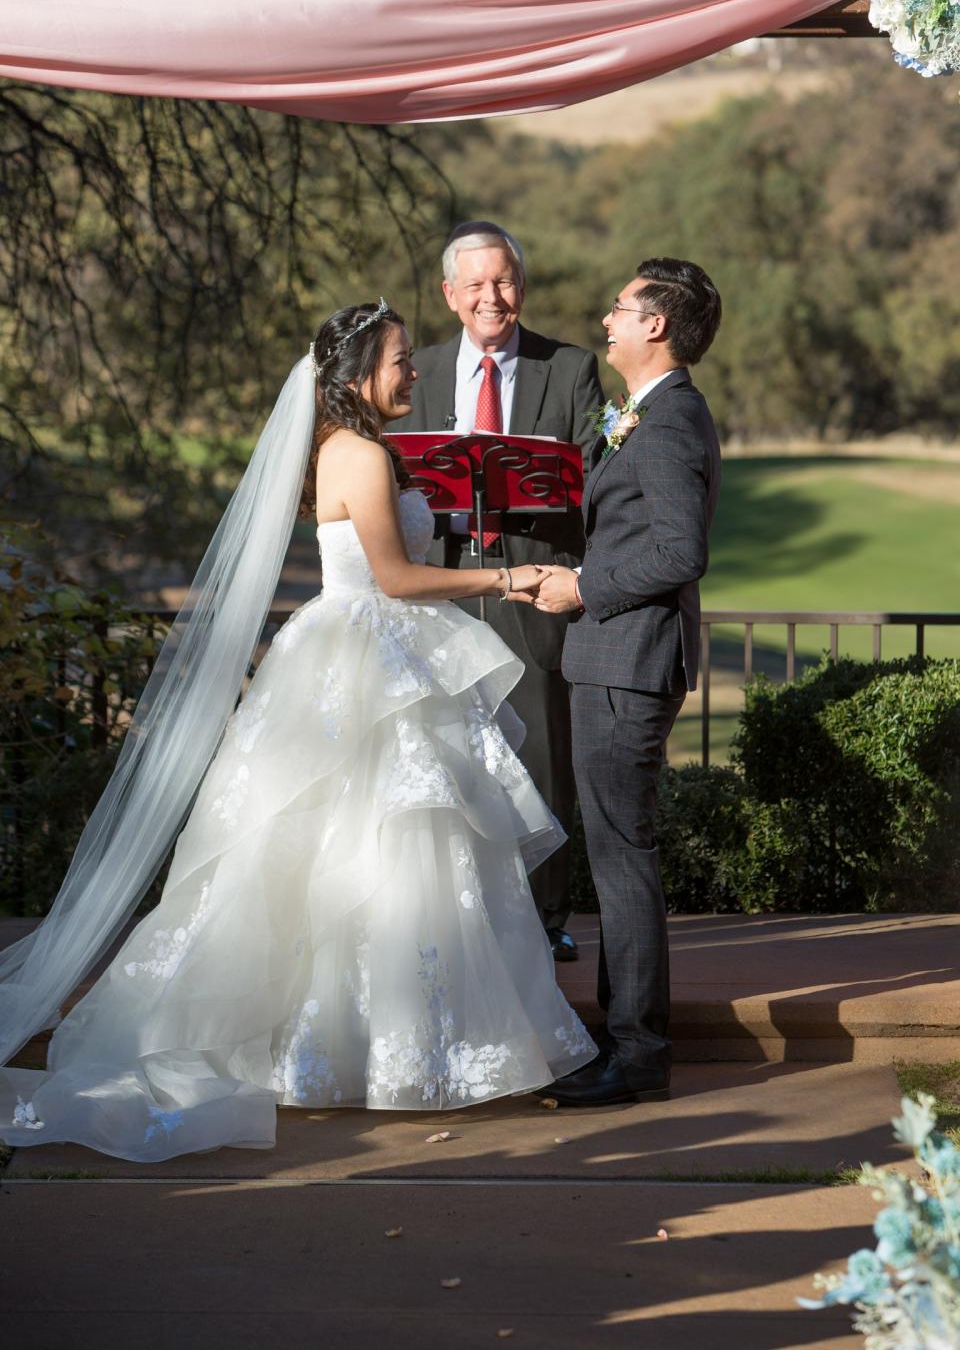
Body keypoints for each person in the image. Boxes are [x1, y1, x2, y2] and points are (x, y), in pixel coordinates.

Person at [0, 301, 596, 1161]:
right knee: (361, 847)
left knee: (394, 850)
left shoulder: (362, 449)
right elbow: (391, 577)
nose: (413, 372)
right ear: (358, 376)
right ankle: (355, 1052)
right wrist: (510, 579)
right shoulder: (353, 452)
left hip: (375, 654)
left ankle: (377, 1052)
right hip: (361, 659)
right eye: (400, 361)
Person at [531, 259, 722, 1107]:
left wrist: (583, 587)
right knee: (615, 854)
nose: (605, 318)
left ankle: (639, 1052)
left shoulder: (672, 419)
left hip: (629, 660)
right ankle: (623, 1038)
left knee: (621, 859)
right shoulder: (641, 417)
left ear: (656, 326)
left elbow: (682, 552)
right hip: (613, 658)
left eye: (619, 307)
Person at [406, 221, 604, 962]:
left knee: (543, 758)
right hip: (443, 590)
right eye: (478, 284)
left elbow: (595, 484)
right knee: (445, 756)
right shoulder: (419, 370)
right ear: (451, 294)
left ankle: (547, 917)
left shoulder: (571, 367)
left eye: (506, 281)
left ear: (522, 285)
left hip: (534, 590)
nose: (494, 297)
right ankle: (455, 912)